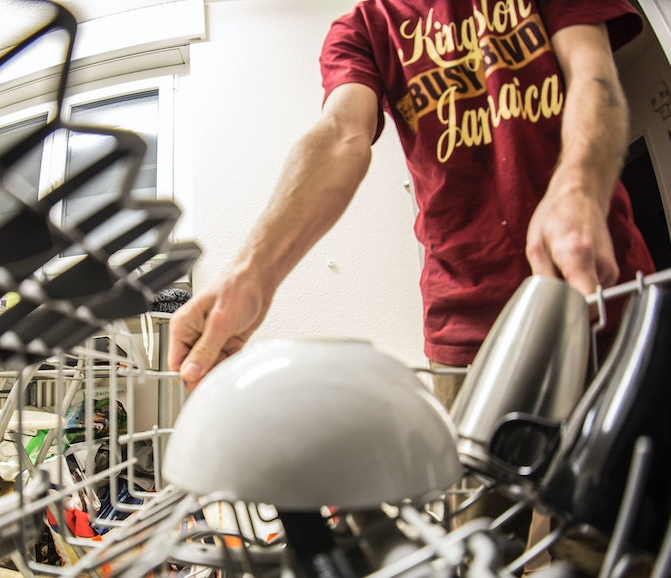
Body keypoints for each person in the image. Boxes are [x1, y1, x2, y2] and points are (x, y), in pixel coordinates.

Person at [168, 0, 655, 408]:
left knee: (602, 510)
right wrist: (252, 274)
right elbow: (341, 135)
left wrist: (576, 186)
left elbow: (594, 74)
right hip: (464, 323)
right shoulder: (362, 28)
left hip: (599, 288)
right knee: (477, 518)